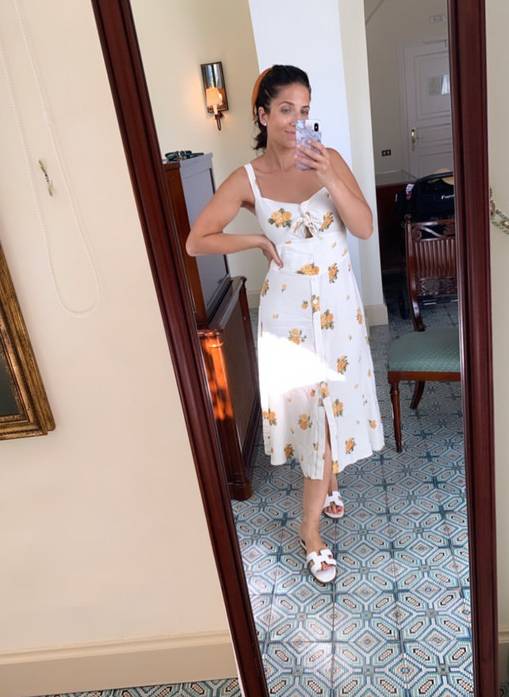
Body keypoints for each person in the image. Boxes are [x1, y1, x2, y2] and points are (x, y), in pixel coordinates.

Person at [187, 65, 384, 583]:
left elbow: (364, 227)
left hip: (339, 310)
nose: (297, 121)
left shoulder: (329, 159)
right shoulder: (247, 179)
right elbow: (197, 239)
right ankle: (309, 532)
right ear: (262, 114)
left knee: (332, 406)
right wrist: (254, 239)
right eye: (285, 110)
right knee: (314, 417)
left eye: (305, 110)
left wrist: (329, 177)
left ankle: (328, 483)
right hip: (288, 315)